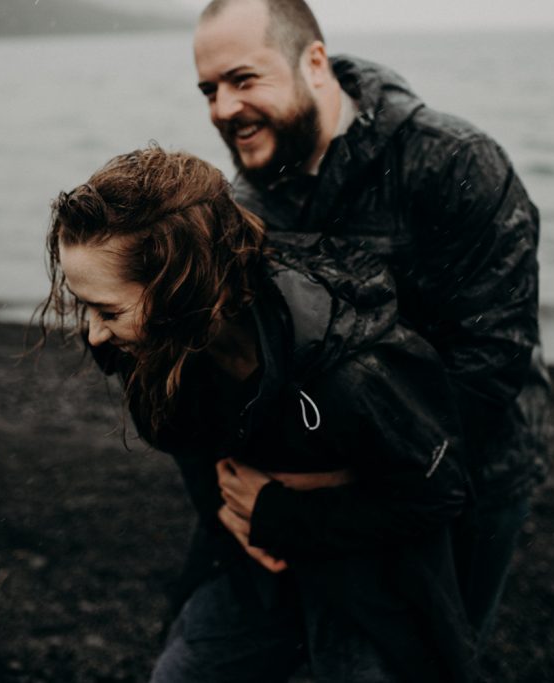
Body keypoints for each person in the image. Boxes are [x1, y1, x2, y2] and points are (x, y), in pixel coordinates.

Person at [37, 146, 477, 681]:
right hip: (249, 563)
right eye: (85, 306)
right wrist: (234, 515)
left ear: (189, 289)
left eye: (109, 311)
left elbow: (441, 491)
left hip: (369, 576)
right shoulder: (152, 343)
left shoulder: (350, 374)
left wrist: (278, 518)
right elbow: (191, 446)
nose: (93, 333)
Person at [192, 0, 550, 645]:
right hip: (310, 488)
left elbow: (490, 364)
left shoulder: (455, 164)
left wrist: (326, 498)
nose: (221, 108)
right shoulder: (245, 202)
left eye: (243, 79)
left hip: (470, 479)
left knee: (431, 657)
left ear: (316, 63)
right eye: (209, 90)